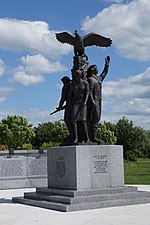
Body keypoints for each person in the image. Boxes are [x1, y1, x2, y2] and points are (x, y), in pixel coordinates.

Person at [87, 56, 110, 143]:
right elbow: (89, 92)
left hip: (98, 101)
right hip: (93, 102)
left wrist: (106, 65)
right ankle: (92, 137)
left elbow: (104, 73)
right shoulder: (90, 80)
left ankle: (94, 137)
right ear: (92, 69)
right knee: (93, 119)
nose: (97, 69)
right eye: (96, 68)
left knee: (97, 119)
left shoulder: (98, 79)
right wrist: (92, 101)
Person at [69, 70, 90, 143]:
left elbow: (87, 93)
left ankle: (87, 138)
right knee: (74, 120)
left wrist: (85, 102)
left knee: (83, 121)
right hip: (75, 103)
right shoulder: (73, 84)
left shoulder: (85, 83)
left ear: (81, 75)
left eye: (78, 74)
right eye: (76, 74)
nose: (77, 76)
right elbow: (71, 96)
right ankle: (75, 138)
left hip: (83, 103)